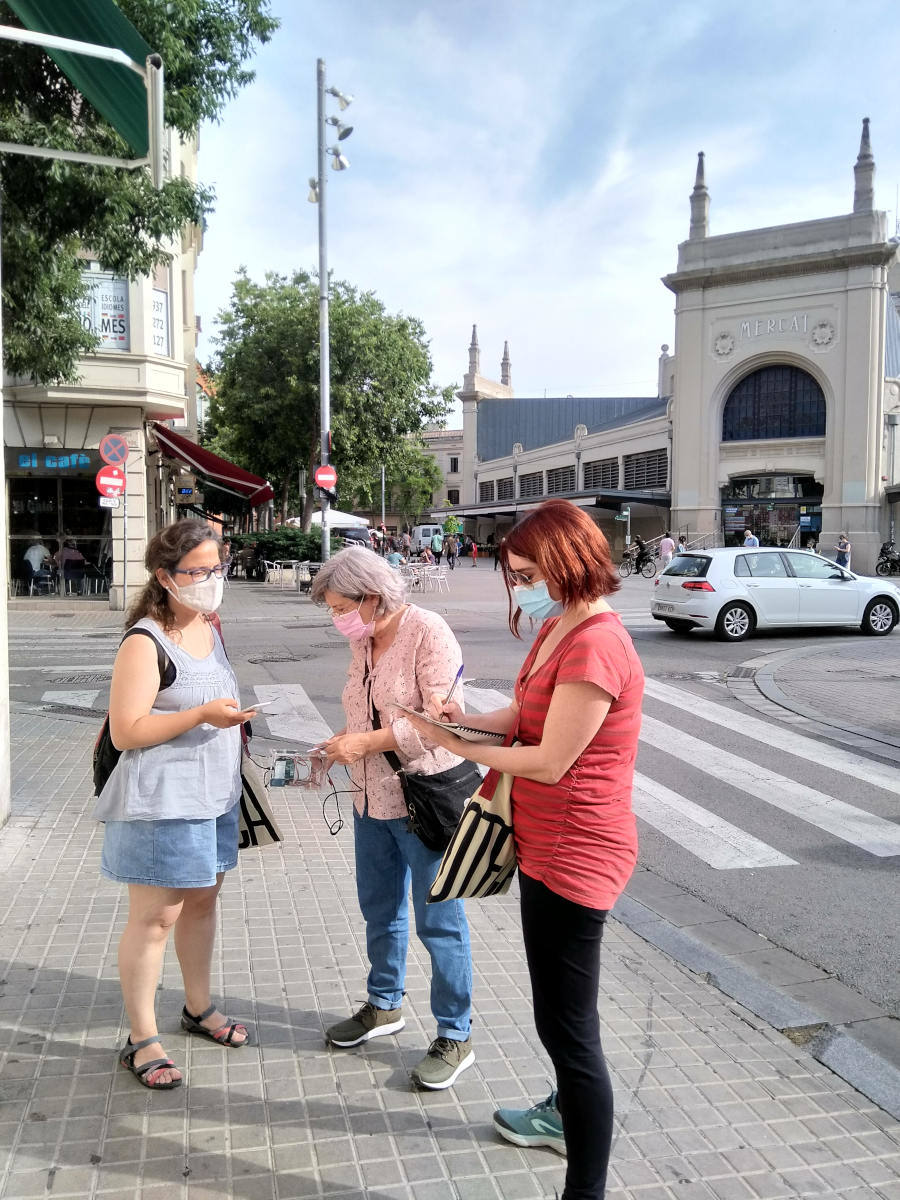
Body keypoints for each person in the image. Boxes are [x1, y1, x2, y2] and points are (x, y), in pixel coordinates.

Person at [407, 499, 644, 1200]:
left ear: (569, 563)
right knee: (559, 1021)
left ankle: (585, 1184)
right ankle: (563, 1115)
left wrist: (450, 744)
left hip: (579, 850)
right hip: (545, 841)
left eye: (530, 571)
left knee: (570, 1032)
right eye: (515, 573)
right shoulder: (562, 625)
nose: (522, 586)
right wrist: (465, 720)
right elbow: (527, 713)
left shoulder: (598, 640)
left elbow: (550, 759)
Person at [95, 519, 255, 1090]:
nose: (213, 580)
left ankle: (198, 1007)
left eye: (219, 568)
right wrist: (200, 715)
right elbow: (126, 731)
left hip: (214, 797)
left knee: (203, 906)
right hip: (160, 803)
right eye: (200, 571)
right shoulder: (145, 640)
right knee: (155, 917)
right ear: (165, 577)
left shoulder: (210, 627)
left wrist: (228, 719)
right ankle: (142, 1039)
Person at [311, 548, 476, 1090]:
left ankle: (456, 1034)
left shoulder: (428, 631)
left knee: (439, 922)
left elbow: (440, 721)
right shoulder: (363, 639)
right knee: (379, 910)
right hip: (369, 800)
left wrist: (369, 741)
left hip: (424, 801)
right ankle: (384, 1003)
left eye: (341, 606)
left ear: (372, 598)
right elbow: (361, 712)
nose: (338, 618)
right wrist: (339, 746)